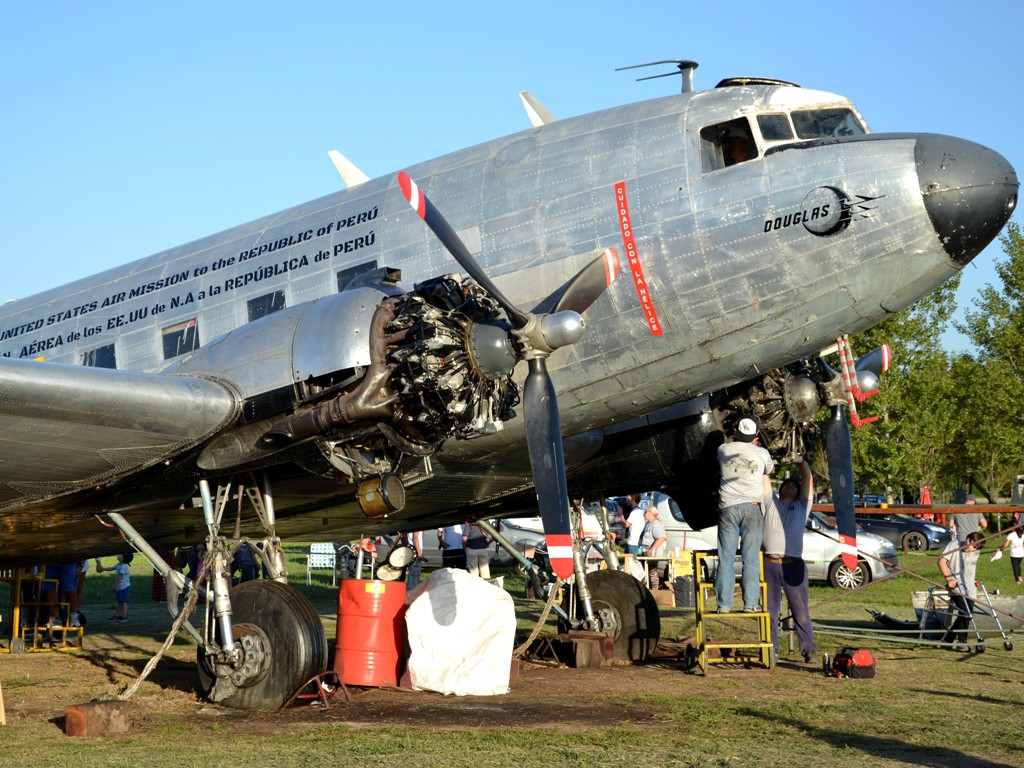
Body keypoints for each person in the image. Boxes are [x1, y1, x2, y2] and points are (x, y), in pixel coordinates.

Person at [762, 459, 819, 664]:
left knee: (800, 609)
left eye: (795, 486)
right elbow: (764, 477)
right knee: (770, 610)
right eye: (787, 484)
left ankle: (809, 649)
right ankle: (771, 649)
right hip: (770, 563)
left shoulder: (803, 506)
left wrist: (800, 459)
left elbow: (807, 477)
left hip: (793, 564)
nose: (791, 486)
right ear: (781, 489)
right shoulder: (771, 503)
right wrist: (766, 459)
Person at [715, 415, 774, 613]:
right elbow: (769, 470)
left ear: (737, 432)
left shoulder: (723, 450)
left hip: (728, 507)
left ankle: (724, 605)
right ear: (756, 433)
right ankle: (750, 604)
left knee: (726, 557)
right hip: (752, 507)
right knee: (750, 559)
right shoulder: (762, 452)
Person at [938, 532, 984, 651]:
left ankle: (948, 639)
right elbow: (942, 561)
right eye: (970, 543)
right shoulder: (954, 544)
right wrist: (949, 578)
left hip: (970, 588)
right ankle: (962, 642)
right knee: (965, 613)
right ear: (967, 539)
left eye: (974, 547)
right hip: (956, 586)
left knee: (967, 615)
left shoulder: (976, 552)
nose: (970, 547)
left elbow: (970, 568)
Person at [638, 505, 669, 590]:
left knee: (652, 571)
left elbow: (660, 539)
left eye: (645, 512)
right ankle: (645, 589)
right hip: (646, 551)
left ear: (651, 513)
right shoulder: (648, 523)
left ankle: (655, 589)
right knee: (645, 571)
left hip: (653, 553)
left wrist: (651, 550)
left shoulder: (656, 524)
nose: (644, 514)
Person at [96, 553, 132, 622]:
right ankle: (118, 615)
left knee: (124, 601)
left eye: (121, 554)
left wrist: (116, 586)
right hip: (120, 587)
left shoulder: (123, 566)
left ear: (123, 558)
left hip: (124, 587)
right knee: (119, 602)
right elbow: (112, 568)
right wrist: (103, 569)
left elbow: (120, 577)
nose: (118, 554)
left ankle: (124, 616)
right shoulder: (119, 565)